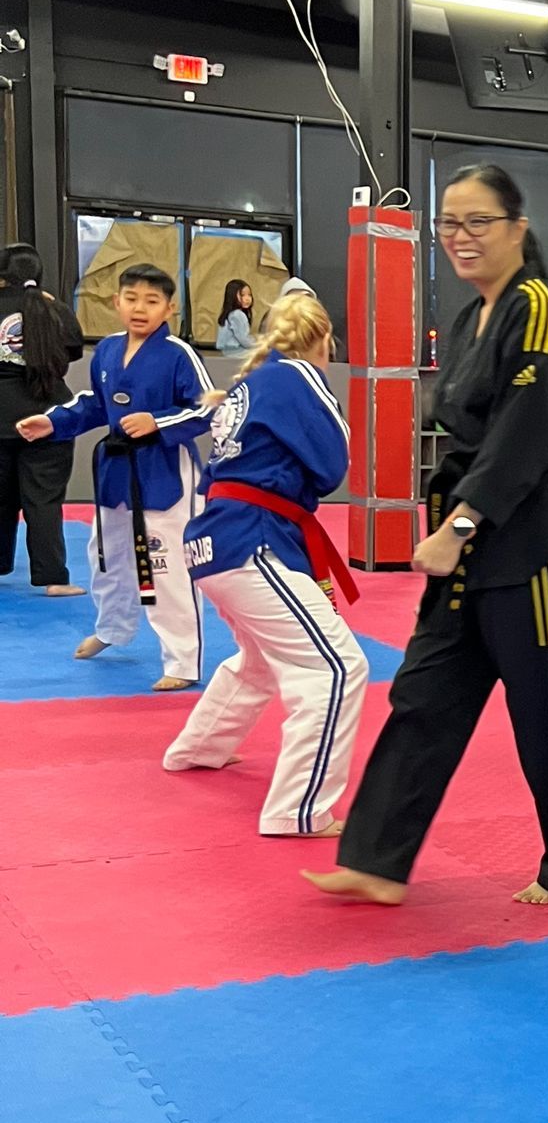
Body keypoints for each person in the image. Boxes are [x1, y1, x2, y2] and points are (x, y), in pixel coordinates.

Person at [307, 163, 548, 910]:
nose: (461, 237)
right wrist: (455, 527)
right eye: (449, 224)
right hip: (470, 543)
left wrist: (461, 523)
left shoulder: (539, 309)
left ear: (518, 228)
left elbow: (522, 436)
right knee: (425, 694)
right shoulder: (472, 318)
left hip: (531, 545)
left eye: (478, 222)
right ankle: (375, 860)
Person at [162, 288, 369, 836]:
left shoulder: (250, 383)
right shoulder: (299, 376)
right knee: (337, 667)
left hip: (215, 541)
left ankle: (198, 748)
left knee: (259, 658)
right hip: (252, 539)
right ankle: (299, 809)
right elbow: (332, 463)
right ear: (324, 339)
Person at [18, 259, 213, 689]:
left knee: (165, 568)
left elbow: (206, 408)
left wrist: (157, 421)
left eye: (152, 301)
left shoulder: (178, 354)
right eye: (131, 299)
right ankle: (113, 629)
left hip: (164, 475)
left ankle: (182, 661)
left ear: (170, 308)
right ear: (116, 302)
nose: (140, 308)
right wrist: (52, 422)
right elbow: (94, 403)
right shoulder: (107, 350)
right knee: (107, 558)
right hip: (116, 473)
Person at [0, 242, 85, 595]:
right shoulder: (52, 307)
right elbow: (75, 348)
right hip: (47, 414)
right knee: (44, 499)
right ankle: (52, 579)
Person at [215, 280, 256, 354]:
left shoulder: (231, 314)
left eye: (249, 295)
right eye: (242, 295)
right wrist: (259, 344)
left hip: (227, 351)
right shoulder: (238, 315)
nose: (247, 298)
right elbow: (243, 339)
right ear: (232, 296)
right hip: (235, 351)